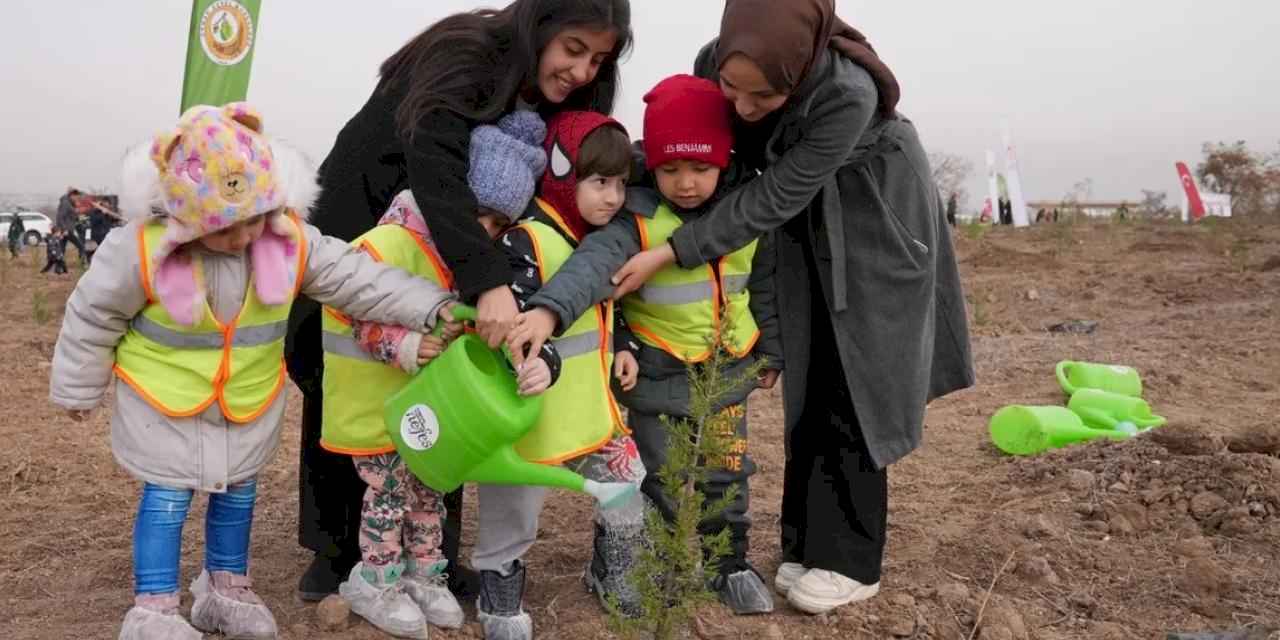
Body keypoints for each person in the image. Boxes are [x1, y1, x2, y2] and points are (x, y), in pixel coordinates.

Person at [510, 0, 974, 616]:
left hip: (870, 217)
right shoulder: (713, 73)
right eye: (734, 91)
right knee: (808, 374)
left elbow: (772, 193)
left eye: (764, 98)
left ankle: (849, 559)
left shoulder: (847, 93)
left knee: (855, 375)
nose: (745, 108)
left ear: (800, 71)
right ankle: (806, 545)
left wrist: (673, 248)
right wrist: (624, 190)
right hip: (792, 227)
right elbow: (692, 149)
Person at [48, 103, 458, 640]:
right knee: (168, 499)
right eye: (228, 228)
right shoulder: (141, 248)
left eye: (256, 221)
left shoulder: (287, 239)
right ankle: (154, 609)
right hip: (163, 400)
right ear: (188, 216)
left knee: (238, 493)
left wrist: (431, 306)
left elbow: (357, 278)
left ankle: (226, 589)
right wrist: (79, 385)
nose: (245, 238)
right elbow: (93, 311)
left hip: (245, 398)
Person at [284, 0, 634, 604]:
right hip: (368, 209)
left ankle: (431, 555)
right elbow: (435, 163)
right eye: (573, 49)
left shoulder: (558, 95)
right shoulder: (469, 50)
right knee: (343, 370)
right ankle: (335, 550)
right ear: (539, 25)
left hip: (458, 224)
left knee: (445, 372)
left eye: (598, 59)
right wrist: (487, 279)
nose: (582, 72)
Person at [514, 74, 782, 615]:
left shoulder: (746, 211)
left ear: (724, 161)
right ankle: (640, 564)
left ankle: (726, 564)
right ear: (651, 165)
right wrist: (548, 310)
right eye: (671, 169)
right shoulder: (635, 219)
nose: (686, 184)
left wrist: (771, 348)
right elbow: (590, 267)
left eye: (701, 169)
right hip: (656, 375)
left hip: (727, 374)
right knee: (656, 478)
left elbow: (766, 282)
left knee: (726, 474)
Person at [318, 112, 561, 639]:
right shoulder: (383, 246)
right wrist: (405, 345)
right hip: (376, 404)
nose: (489, 234)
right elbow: (349, 314)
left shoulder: (463, 261)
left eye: (501, 226)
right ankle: (375, 579)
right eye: (482, 217)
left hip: (427, 406)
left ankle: (425, 574)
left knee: (428, 491)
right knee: (385, 495)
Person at [473, 110, 648, 640]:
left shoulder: (593, 238)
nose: (613, 197)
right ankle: (498, 594)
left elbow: (609, 309)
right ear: (562, 171)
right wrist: (539, 363)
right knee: (512, 503)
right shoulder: (523, 240)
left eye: (620, 184)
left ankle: (612, 572)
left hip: (590, 406)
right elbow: (511, 328)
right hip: (527, 408)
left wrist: (626, 346)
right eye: (599, 182)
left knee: (625, 484)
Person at [55, 187, 89, 265]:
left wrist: (78, 216)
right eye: (76, 197)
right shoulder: (65, 203)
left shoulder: (70, 203)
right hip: (66, 230)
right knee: (81, 246)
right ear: (71, 195)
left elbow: (70, 216)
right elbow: (60, 217)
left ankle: (59, 265)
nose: (77, 198)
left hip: (67, 230)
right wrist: (64, 229)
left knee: (62, 248)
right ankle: (83, 263)